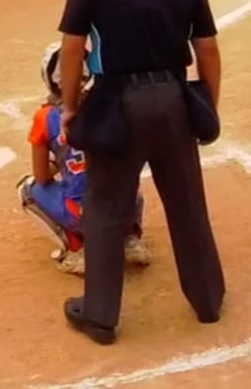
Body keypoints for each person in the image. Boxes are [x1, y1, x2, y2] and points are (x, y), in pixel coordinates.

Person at [55, 0, 224, 345]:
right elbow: (207, 49)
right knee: (187, 203)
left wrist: (69, 106)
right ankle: (208, 301)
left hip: (116, 101)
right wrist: (206, 104)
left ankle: (100, 315)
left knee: (106, 208)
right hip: (173, 97)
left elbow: (72, 48)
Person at [18, 41, 151, 276]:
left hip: (82, 215)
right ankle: (130, 239)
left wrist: (61, 161)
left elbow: (42, 176)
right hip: (122, 209)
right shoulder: (111, 108)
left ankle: (76, 250)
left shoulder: (45, 117)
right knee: (128, 181)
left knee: (28, 189)